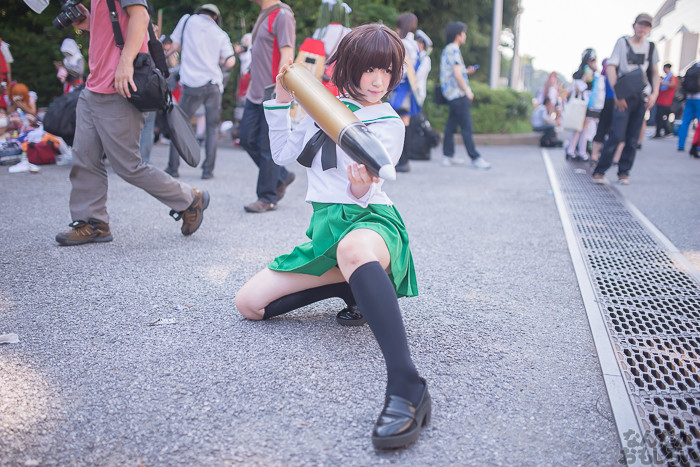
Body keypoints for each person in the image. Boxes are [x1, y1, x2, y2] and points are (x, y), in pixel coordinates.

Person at [235, 24, 431, 449]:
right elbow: (283, 154)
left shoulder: (388, 122)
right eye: (370, 69)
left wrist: (360, 188)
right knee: (249, 305)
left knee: (354, 248)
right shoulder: (322, 105)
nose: (379, 80)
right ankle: (350, 286)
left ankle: (406, 385)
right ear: (350, 67)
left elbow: (371, 187)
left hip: (370, 222)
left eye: (387, 70)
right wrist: (281, 101)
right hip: (326, 228)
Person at [54, 0, 210, 246]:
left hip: (120, 87)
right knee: (84, 157)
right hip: (94, 86)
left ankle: (190, 199)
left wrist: (126, 62)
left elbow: (140, 17)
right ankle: (93, 223)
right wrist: (90, 23)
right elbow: (116, 26)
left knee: (128, 166)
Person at [164, 4, 235, 179]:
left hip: (192, 84)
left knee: (180, 125)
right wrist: (220, 65)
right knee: (212, 128)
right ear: (215, 17)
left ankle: (173, 168)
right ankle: (208, 171)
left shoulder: (187, 20)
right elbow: (230, 61)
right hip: (213, 84)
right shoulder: (220, 33)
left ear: (200, 12)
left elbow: (175, 45)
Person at [238, 0, 296, 213]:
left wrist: (279, 91)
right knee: (246, 138)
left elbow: (287, 54)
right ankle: (281, 175)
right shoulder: (265, 14)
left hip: (270, 92)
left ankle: (267, 197)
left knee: (267, 149)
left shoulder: (282, 15)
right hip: (255, 92)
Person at [592, 13, 659, 185]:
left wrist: (654, 94)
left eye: (646, 25)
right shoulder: (622, 43)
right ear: (634, 25)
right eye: (640, 24)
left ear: (649, 29)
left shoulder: (651, 47)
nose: (642, 28)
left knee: (633, 137)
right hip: (624, 94)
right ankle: (600, 170)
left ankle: (624, 172)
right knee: (616, 134)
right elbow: (611, 67)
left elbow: (654, 72)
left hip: (641, 95)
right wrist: (617, 94)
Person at [439, 21, 491, 169]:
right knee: (467, 127)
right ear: (458, 35)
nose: (465, 36)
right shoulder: (454, 49)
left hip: (451, 94)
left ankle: (447, 156)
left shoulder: (448, 49)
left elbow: (455, 71)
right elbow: (456, 74)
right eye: (464, 33)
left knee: (451, 126)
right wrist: (467, 90)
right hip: (458, 94)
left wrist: (466, 71)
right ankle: (475, 158)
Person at [389, 12, 420, 173]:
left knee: (398, 123)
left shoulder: (403, 43)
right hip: (408, 88)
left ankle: (402, 160)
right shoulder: (414, 43)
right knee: (403, 123)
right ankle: (403, 160)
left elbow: (404, 68)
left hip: (401, 87)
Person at [565, 48, 598, 161]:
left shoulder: (594, 73)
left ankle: (580, 151)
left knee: (585, 129)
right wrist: (584, 79)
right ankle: (572, 150)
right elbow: (577, 89)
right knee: (578, 128)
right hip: (582, 104)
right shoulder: (582, 73)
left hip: (589, 104)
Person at [677, 60, 700, 153]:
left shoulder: (692, 67)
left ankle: (680, 145)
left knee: (685, 122)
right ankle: (697, 146)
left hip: (689, 97)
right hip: (698, 98)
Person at [653, 63, 677, 138]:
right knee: (660, 117)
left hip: (665, 100)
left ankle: (659, 133)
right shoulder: (666, 77)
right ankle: (666, 131)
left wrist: (662, 82)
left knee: (660, 117)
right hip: (661, 99)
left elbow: (673, 85)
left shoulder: (671, 77)